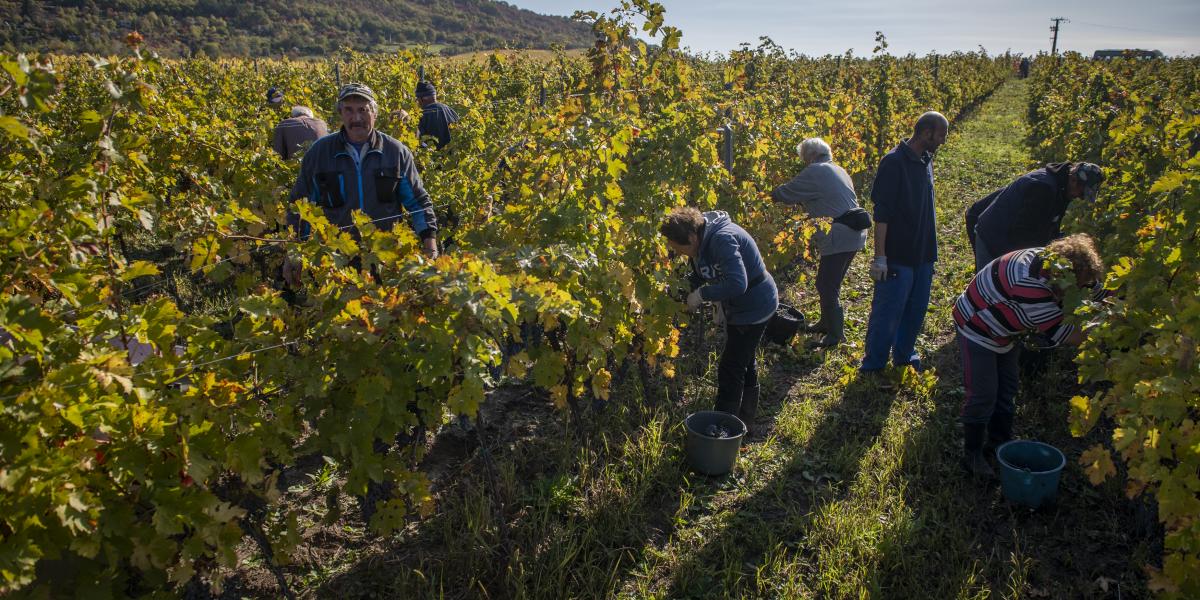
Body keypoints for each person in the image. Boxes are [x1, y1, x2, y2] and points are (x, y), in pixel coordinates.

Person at [952, 234, 1107, 477]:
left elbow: (1098, 292)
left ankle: (999, 443)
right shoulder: (1030, 285)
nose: (1083, 289)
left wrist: (1113, 304)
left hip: (1006, 331)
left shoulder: (1061, 265)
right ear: (1066, 278)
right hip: (977, 327)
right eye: (1080, 284)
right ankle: (972, 454)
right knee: (984, 393)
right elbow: (1065, 334)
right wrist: (1108, 329)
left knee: (1007, 388)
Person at [283, 83, 438, 287]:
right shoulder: (319, 154)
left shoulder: (395, 153)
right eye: (349, 110)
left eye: (363, 110)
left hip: (386, 259)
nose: (356, 118)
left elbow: (418, 202)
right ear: (340, 113)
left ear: (374, 113)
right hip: (336, 263)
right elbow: (301, 206)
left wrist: (430, 244)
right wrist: (295, 253)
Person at [660, 207, 779, 432]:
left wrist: (703, 294)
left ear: (692, 237)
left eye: (681, 248)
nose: (682, 254)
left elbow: (737, 283)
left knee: (730, 368)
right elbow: (699, 273)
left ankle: (724, 429)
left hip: (755, 306)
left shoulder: (722, 240)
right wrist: (677, 291)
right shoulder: (700, 242)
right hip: (740, 308)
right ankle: (746, 419)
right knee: (744, 359)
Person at [861, 111, 948, 374]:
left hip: (923, 254)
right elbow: (882, 214)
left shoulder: (926, 160)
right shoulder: (893, 163)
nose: (943, 140)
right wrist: (880, 258)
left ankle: (904, 355)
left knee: (916, 310)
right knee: (887, 313)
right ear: (925, 133)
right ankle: (873, 365)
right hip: (898, 254)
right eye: (941, 135)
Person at [771, 137, 869, 348]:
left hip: (839, 234)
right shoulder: (838, 169)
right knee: (830, 283)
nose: (805, 163)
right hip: (855, 232)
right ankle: (826, 323)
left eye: (804, 159)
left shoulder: (816, 171)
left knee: (825, 284)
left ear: (811, 156)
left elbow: (784, 193)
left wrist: (764, 196)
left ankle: (835, 335)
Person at [968, 162, 1104, 271]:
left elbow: (1048, 224)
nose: (1080, 197)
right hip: (994, 237)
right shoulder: (1043, 188)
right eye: (1082, 193)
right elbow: (1022, 235)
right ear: (1074, 180)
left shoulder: (1062, 187)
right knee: (991, 290)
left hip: (1008, 236)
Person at [415, 81, 459, 150]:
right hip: (450, 157)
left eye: (417, 99)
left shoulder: (421, 115)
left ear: (422, 99)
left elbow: (418, 140)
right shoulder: (449, 110)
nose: (417, 102)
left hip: (429, 157)